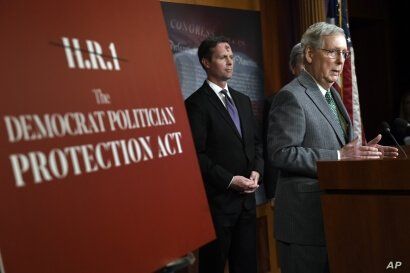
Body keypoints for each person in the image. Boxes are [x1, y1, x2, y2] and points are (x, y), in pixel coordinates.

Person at [267, 22, 398, 273]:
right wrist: (340, 156)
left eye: (344, 54)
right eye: (332, 52)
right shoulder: (292, 96)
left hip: (336, 217)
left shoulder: (332, 94)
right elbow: (281, 153)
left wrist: (364, 155)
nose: (341, 61)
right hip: (305, 225)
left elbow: (341, 147)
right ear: (309, 54)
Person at [185, 36, 264, 273]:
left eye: (231, 57)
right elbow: (196, 156)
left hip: (247, 207)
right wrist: (230, 181)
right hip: (217, 208)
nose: (230, 62)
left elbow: (257, 144)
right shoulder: (196, 104)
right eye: (222, 57)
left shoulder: (242, 100)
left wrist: (257, 171)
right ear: (206, 63)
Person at [264, 42, 305, 201]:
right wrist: (274, 193)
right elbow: (274, 151)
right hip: (294, 192)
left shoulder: (330, 97)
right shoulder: (279, 99)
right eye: (303, 64)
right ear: (293, 68)